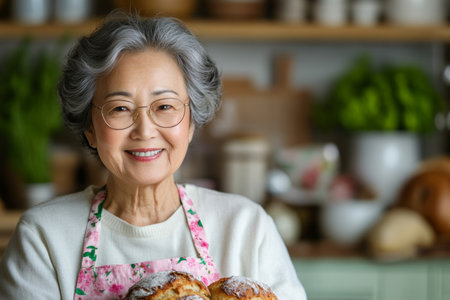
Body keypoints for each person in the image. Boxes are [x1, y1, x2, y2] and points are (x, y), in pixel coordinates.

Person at [0, 13, 307, 299]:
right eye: (120, 108)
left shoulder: (246, 228)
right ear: (89, 128)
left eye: (165, 106)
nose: (145, 130)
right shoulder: (43, 238)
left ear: (190, 123)